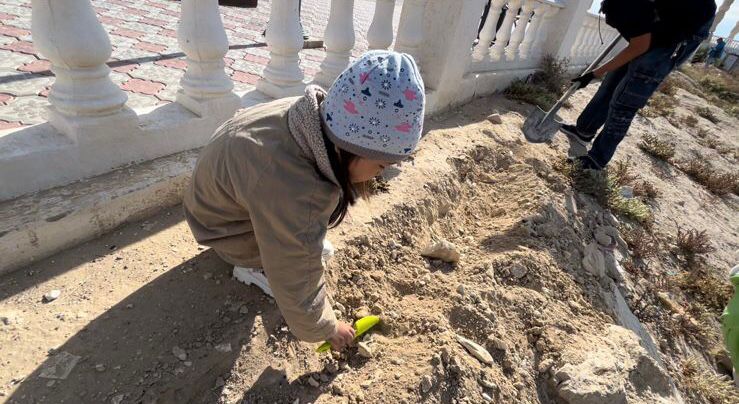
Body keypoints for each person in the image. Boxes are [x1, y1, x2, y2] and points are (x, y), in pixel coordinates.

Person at [183, 50, 425, 351]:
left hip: (224, 200)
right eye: (381, 165)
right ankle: (251, 265)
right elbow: (294, 272)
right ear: (353, 148)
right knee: (292, 254)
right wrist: (325, 326)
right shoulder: (297, 192)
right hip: (224, 228)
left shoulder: (309, 119)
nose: (380, 174)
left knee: (301, 236)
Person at [561, 0, 716, 170]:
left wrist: (594, 73)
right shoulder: (629, 9)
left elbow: (639, 45)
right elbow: (639, 41)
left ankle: (597, 159)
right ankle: (584, 131)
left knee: (625, 101)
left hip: (680, 35)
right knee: (612, 82)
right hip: (664, 19)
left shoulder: (629, 8)